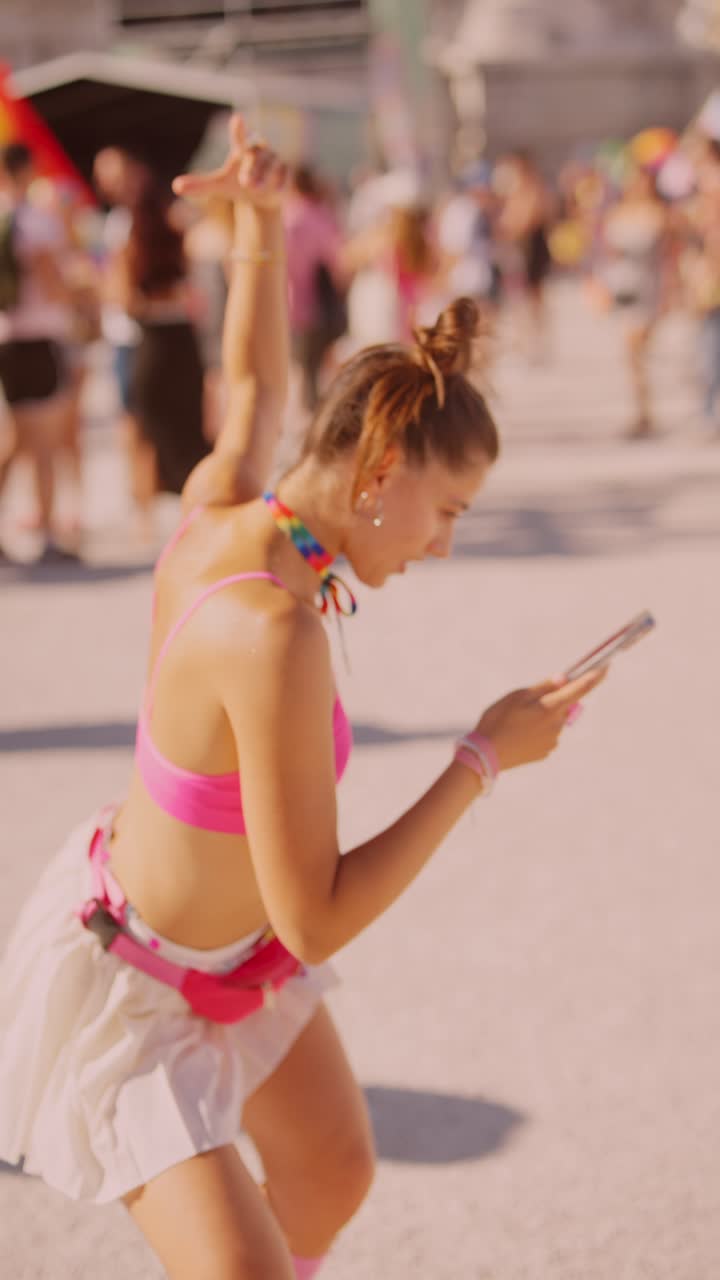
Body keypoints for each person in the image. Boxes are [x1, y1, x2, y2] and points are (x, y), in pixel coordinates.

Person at [0, 118, 607, 1279]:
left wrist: (261, 228)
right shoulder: (272, 630)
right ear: (380, 475)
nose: (441, 545)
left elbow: (252, 378)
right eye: (447, 513)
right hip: (134, 983)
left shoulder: (232, 496)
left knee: (332, 1173)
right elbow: (318, 916)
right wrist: (478, 756)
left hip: (229, 964)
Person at [106, 170, 210, 531]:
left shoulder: (132, 245)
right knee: (188, 432)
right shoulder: (180, 239)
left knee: (147, 433)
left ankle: (145, 517)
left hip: (150, 344)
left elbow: (123, 298)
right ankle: (191, 513)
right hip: (182, 342)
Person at [0, 142, 77, 562]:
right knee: (44, 444)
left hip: (7, 339)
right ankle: (47, 536)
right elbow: (52, 283)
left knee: (14, 438)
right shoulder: (36, 221)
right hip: (41, 339)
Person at [599, 164, 673, 439]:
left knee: (637, 350)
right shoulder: (618, 213)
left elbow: (668, 258)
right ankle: (643, 410)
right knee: (632, 355)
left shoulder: (660, 214)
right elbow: (606, 255)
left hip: (648, 286)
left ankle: (644, 411)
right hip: (624, 285)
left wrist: (669, 292)